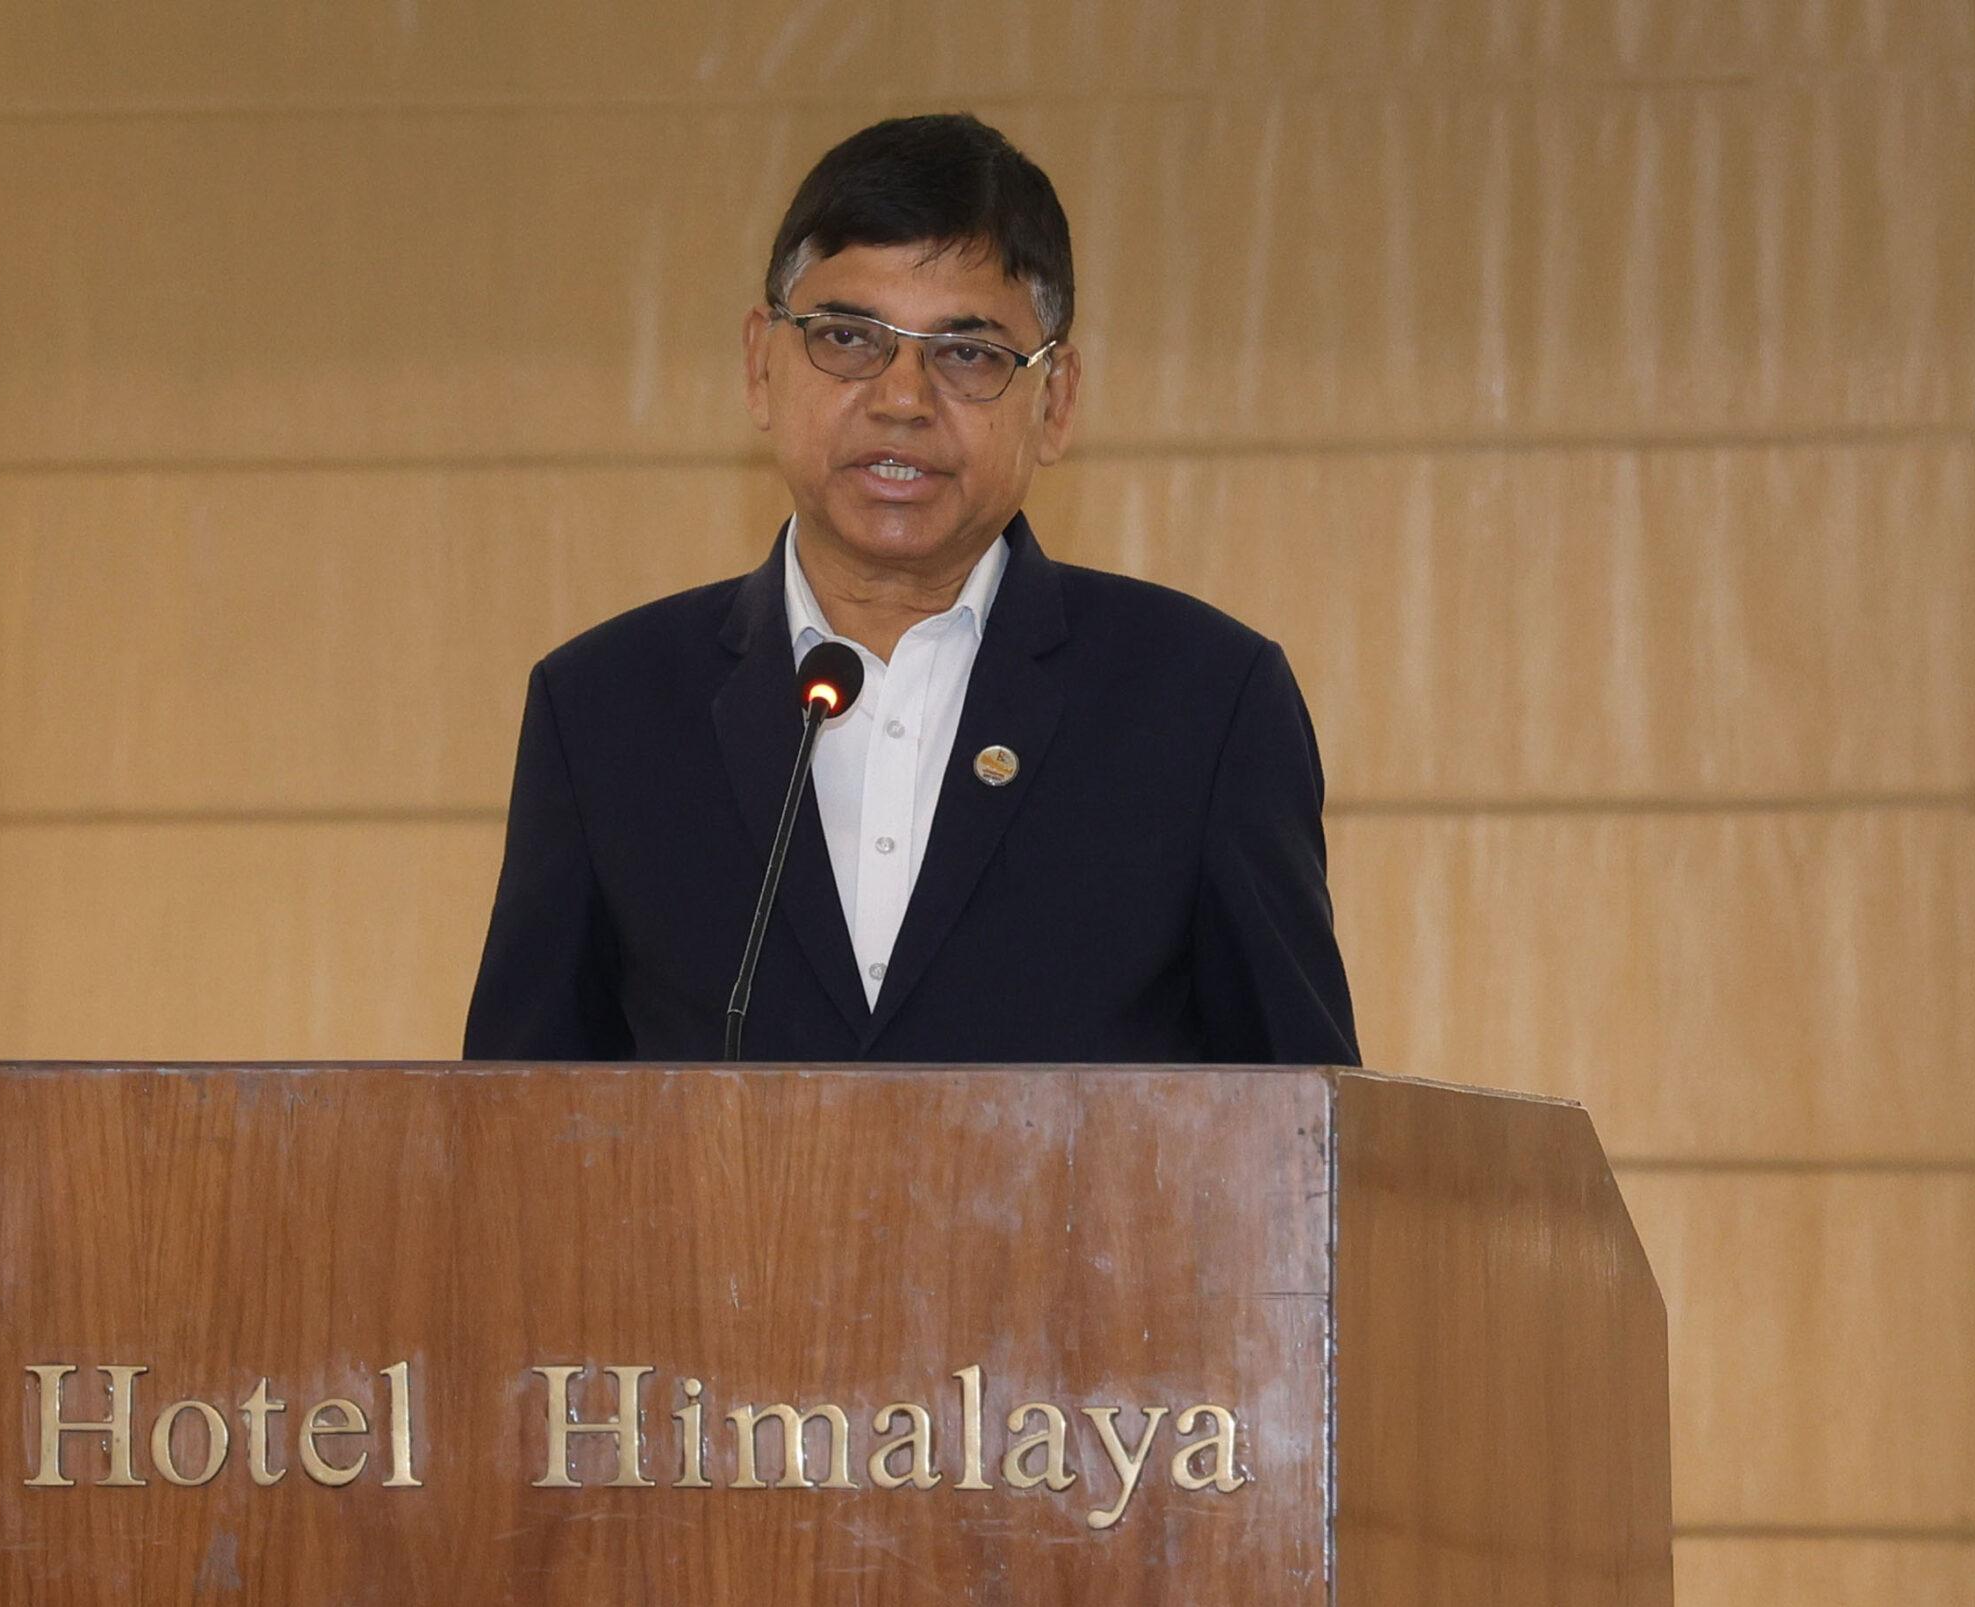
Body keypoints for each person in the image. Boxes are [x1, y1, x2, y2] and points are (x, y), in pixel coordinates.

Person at [462, 113, 1357, 1066]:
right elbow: (513, 1120)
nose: (900, 398)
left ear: (1055, 402)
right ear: (760, 366)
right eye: (848, 337)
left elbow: (1306, 1120)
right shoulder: (605, 707)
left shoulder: (1203, 702)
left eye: (967, 354)